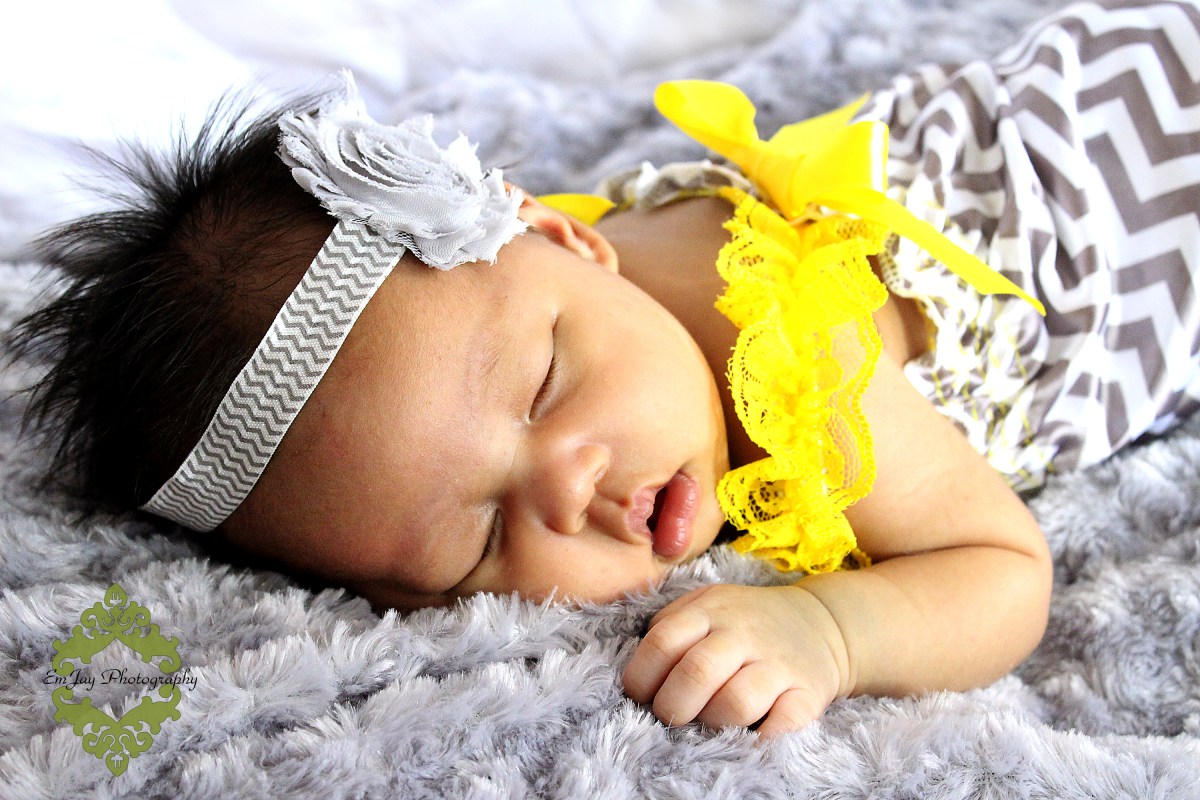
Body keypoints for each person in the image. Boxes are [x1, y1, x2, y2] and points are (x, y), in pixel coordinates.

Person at [11, 0, 1199, 737]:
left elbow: (1001, 567)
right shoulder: (532, 305)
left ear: (567, 239)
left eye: (545, 386)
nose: (569, 483)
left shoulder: (786, 349)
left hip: (1134, 176)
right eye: (478, 540)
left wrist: (833, 633)